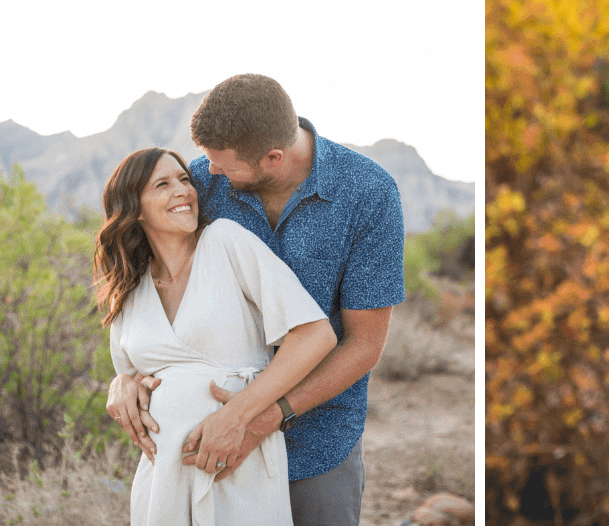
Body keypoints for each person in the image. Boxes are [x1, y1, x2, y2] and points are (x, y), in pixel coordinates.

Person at [104, 74, 408, 526]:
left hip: (318, 436)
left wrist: (260, 418)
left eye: (223, 168)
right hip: (198, 454)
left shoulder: (367, 194)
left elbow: (363, 344)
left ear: (273, 158)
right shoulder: (206, 179)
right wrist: (126, 379)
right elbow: (159, 269)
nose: (207, 176)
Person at [95, 147, 338, 525]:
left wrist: (237, 417)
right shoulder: (129, 289)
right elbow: (132, 376)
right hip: (162, 476)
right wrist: (122, 384)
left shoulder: (224, 241)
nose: (183, 191)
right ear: (135, 208)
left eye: (184, 180)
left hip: (235, 458)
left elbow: (315, 335)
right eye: (162, 184)